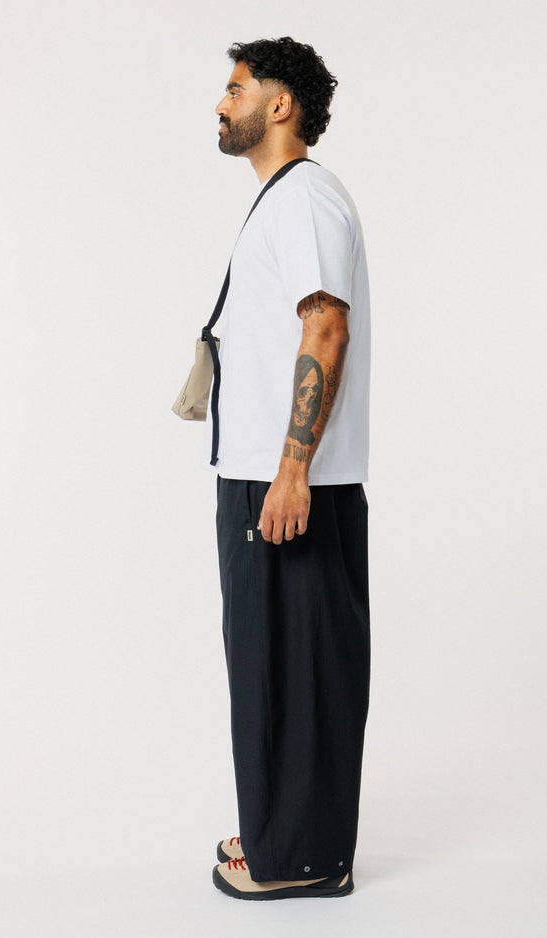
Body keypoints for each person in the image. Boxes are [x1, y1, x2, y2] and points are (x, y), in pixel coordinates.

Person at [206, 37, 371, 900]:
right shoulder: (284, 200)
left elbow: (325, 326)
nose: (221, 103)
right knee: (276, 666)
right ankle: (286, 838)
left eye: (235, 89)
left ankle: (297, 862)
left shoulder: (303, 198)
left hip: (288, 484)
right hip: (270, 477)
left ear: (280, 104)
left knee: (294, 672)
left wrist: (293, 471)